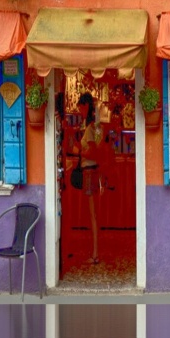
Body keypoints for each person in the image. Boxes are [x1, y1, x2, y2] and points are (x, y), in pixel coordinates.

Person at [73, 90, 104, 264]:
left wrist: (78, 149)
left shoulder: (91, 126)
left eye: (80, 108)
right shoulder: (93, 125)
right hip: (92, 171)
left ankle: (95, 254)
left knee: (93, 215)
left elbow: (92, 151)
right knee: (93, 214)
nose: (79, 111)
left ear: (85, 106)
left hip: (90, 171)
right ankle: (94, 251)